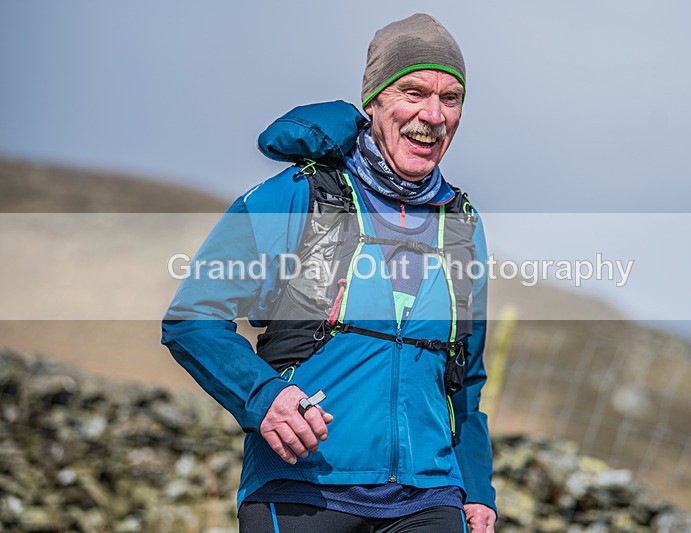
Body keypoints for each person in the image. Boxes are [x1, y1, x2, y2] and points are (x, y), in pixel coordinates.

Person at [162, 13, 496, 532]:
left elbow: (465, 381)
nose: (432, 115)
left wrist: (476, 489)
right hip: (302, 489)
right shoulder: (295, 195)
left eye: (450, 98)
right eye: (412, 92)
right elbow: (192, 318)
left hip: (429, 496)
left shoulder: (462, 226)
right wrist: (262, 396)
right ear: (374, 100)